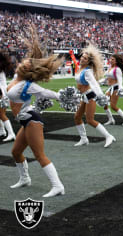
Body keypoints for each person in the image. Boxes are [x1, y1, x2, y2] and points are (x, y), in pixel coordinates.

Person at [7, 27, 65, 197]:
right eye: (23, 62)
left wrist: (61, 96)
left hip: (32, 120)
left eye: (25, 64)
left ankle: (57, 186)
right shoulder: (15, 80)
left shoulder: (27, 84)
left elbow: (46, 93)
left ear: (28, 71)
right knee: (16, 152)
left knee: (39, 155)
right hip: (25, 121)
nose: (21, 63)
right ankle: (25, 178)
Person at [73, 45, 116, 148]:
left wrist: (101, 96)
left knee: (90, 120)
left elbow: (94, 84)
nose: (82, 59)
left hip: (90, 95)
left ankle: (108, 136)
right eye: (82, 57)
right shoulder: (80, 68)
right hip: (84, 96)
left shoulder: (87, 71)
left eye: (85, 58)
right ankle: (84, 139)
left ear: (88, 62)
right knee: (77, 117)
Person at [103, 54, 123, 126]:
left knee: (113, 106)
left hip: (116, 88)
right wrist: (98, 82)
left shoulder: (117, 69)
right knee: (104, 104)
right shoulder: (110, 68)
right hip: (110, 88)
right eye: (110, 59)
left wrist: (121, 88)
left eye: (113, 59)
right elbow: (106, 79)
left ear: (116, 61)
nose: (111, 60)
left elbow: (120, 79)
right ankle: (111, 119)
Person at [0, 51, 16, 142]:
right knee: (0, 114)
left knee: (2, 114)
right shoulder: (1, 68)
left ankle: (11, 133)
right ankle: (2, 131)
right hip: (3, 92)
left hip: (1, 93)